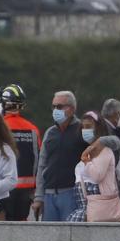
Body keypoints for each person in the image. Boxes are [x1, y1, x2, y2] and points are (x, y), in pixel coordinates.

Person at [35, 91, 89, 223]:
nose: (55, 110)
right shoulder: (50, 132)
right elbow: (42, 165)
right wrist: (39, 197)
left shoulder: (82, 130)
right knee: (49, 234)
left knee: (71, 233)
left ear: (72, 109)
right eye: (53, 106)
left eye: (59, 106)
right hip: (49, 195)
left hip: (72, 194)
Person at [0, 84, 43, 222]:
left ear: (4, 104)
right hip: (27, 190)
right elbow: (39, 159)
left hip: (4, 188)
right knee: (21, 225)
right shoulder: (33, 129)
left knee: (1, 226)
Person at [77, 114, 120, 223]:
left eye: (88, 126)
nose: (85, 130)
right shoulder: (87, 149)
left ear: (98, 128)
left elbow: (97, 176)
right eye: (83, 127)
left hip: (102, 208)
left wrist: (86, 161)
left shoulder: (105, 151)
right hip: (88, 205)